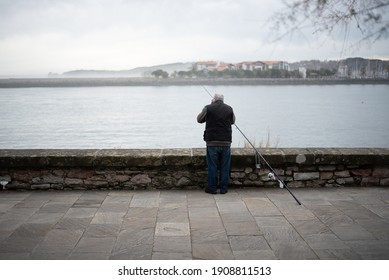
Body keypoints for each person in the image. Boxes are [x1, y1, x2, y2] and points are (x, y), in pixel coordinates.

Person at [197, 93, 235, 194]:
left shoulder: (208, 108)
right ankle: (223, 189)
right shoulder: (229, 109)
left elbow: (199, 119)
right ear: (223, 100)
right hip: (226, 142)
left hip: (212, 142)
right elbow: (232, 121)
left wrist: (209, 108)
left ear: (213, 99)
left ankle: (212, 188)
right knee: (225, 166)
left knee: (212, 166)